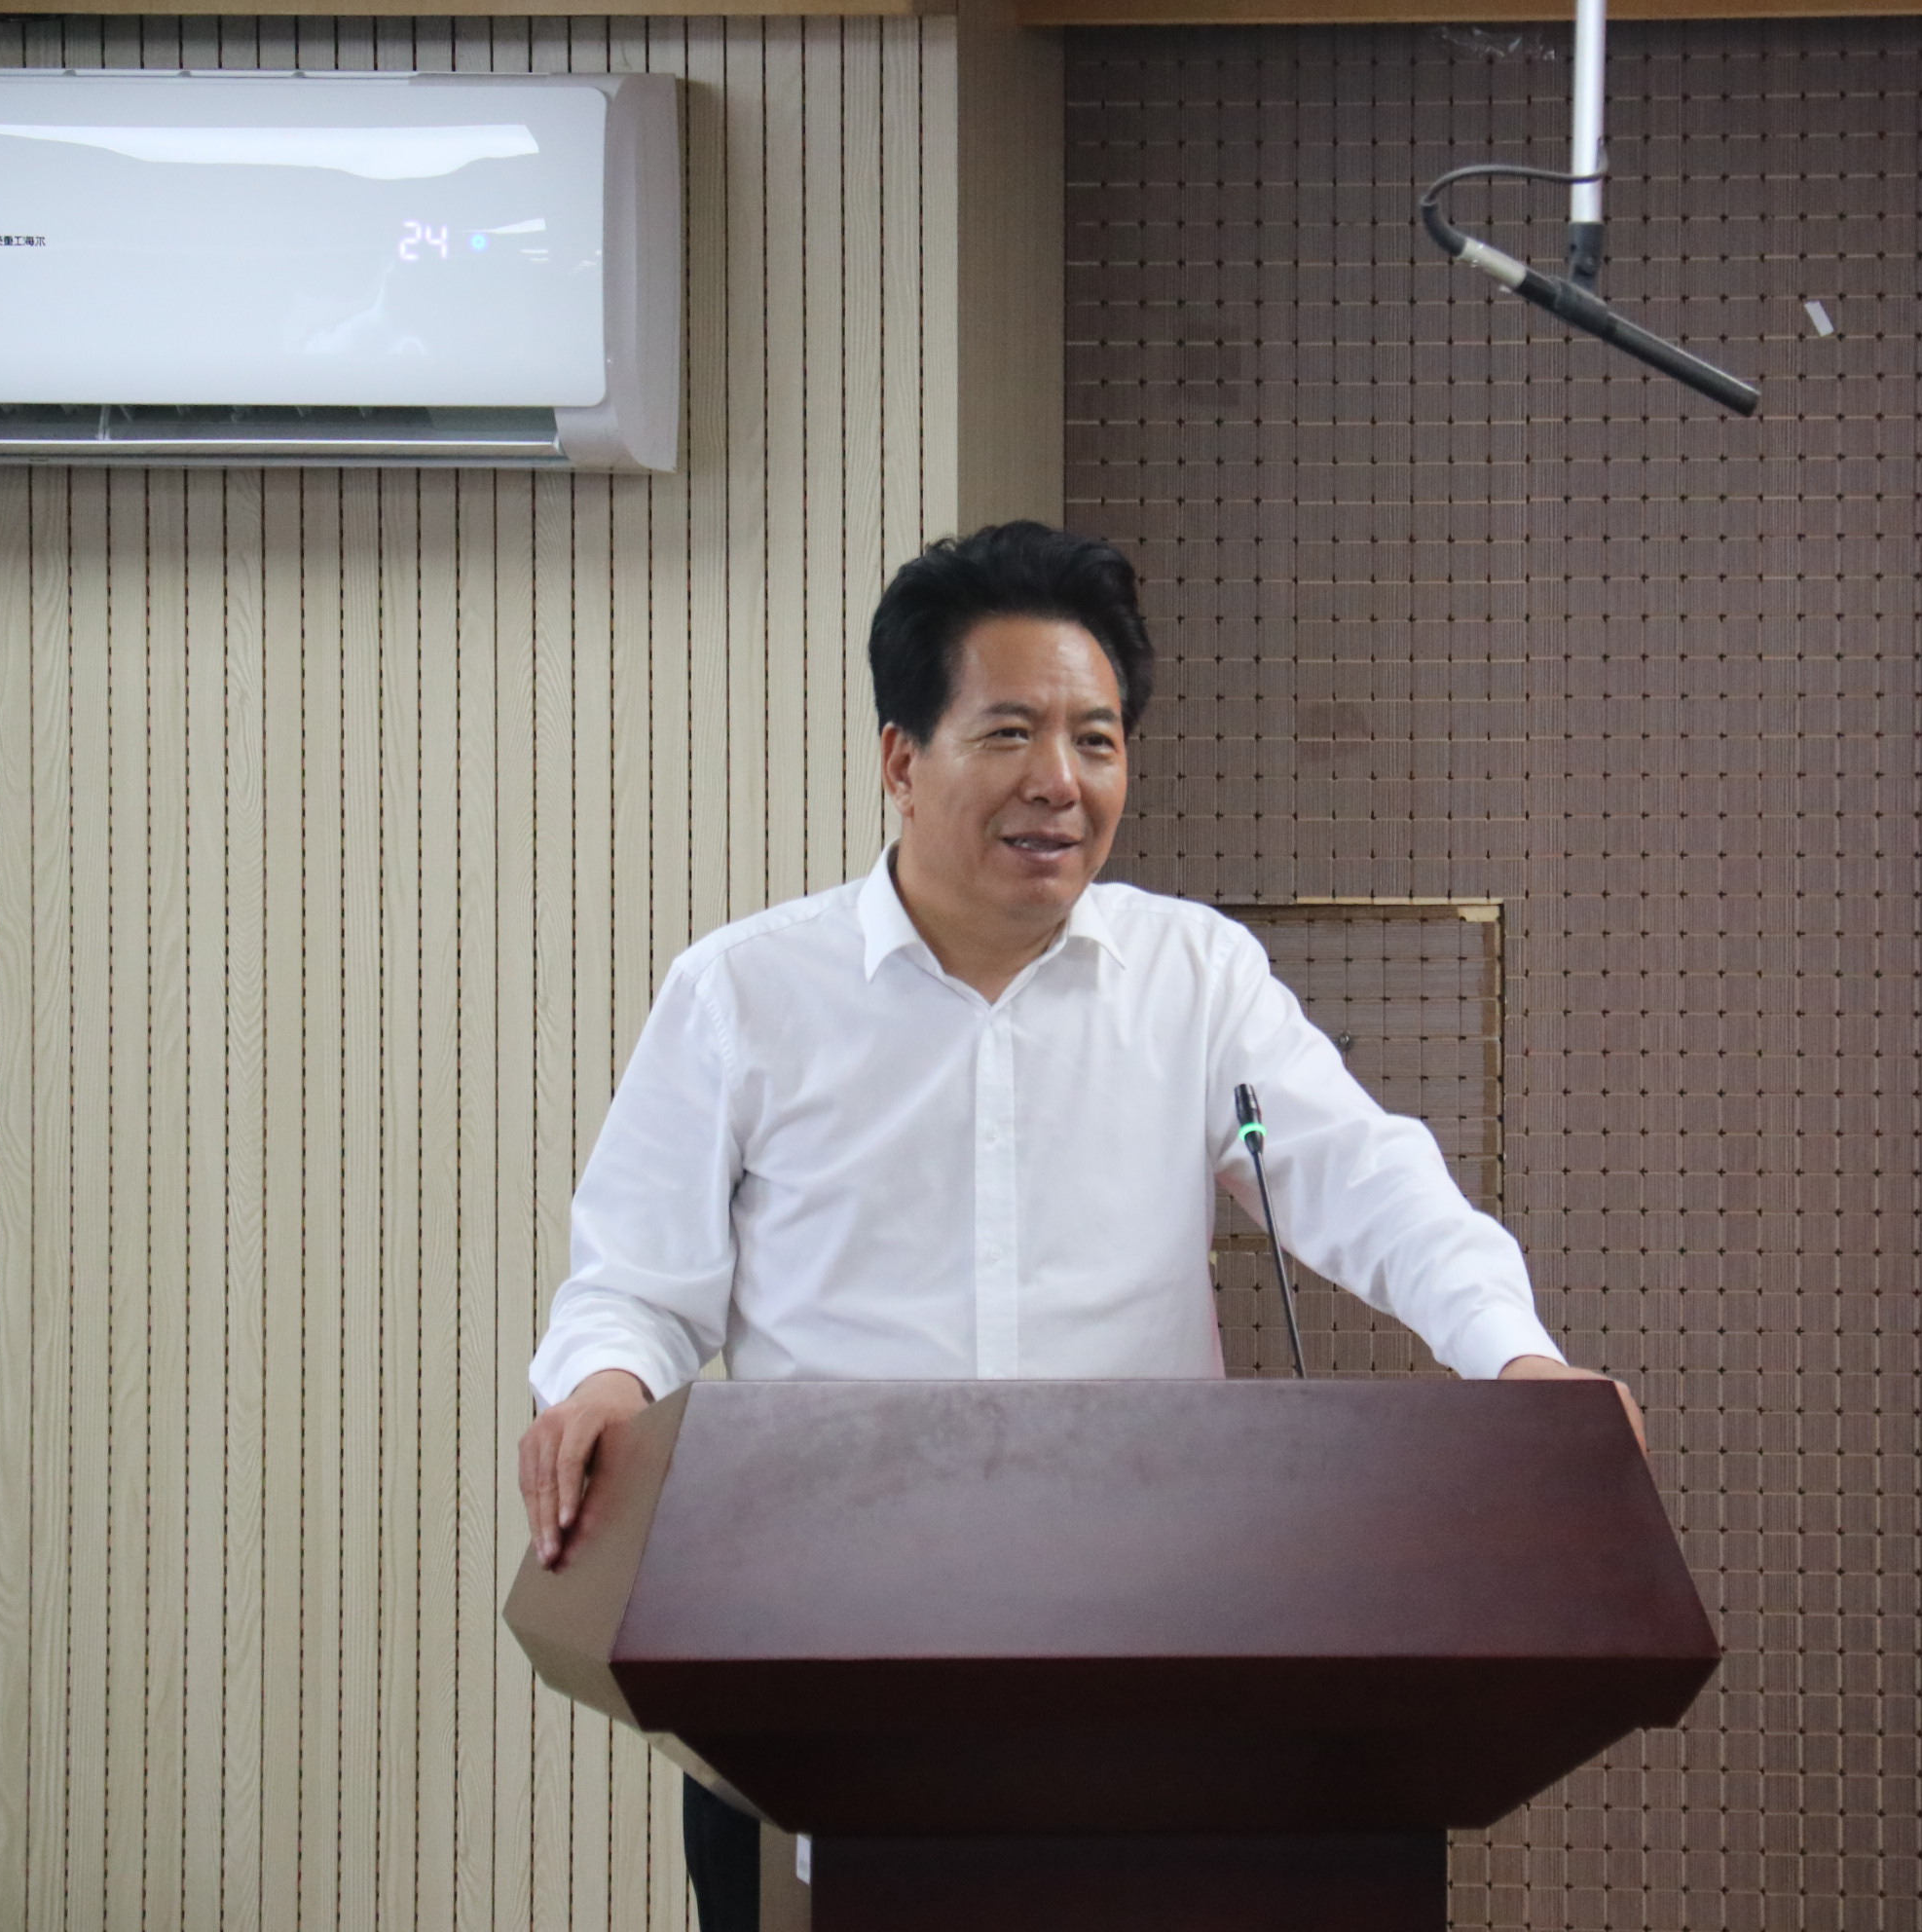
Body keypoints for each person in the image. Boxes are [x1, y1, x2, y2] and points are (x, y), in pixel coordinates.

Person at [515, 521, 1640, 1932]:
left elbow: (1374, 1182)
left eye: (1097, 740)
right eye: (1012, 733)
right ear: (901, 758)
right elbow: (633, 1283)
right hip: (816, 1646)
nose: (1061, 780)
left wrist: (1516, 1360)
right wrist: (603, 1383)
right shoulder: (744, 995)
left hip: (1153, 1641)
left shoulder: (1195, 975)